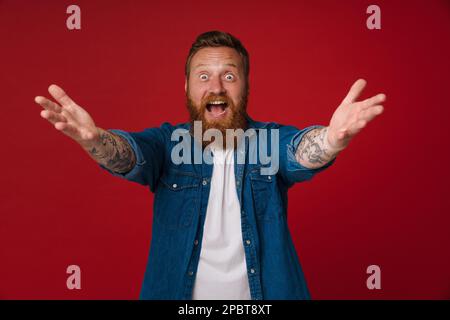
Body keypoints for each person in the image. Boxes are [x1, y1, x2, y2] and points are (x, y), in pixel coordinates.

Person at [34, 30, 386, 300]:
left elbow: (297, 153)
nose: (215, 86)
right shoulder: (167, 144)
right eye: (203, 76)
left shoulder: (269, 140)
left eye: (229, 76)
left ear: (245, 84)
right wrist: (95, 140)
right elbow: (130, 154)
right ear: (186, 86)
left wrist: (331, 139)